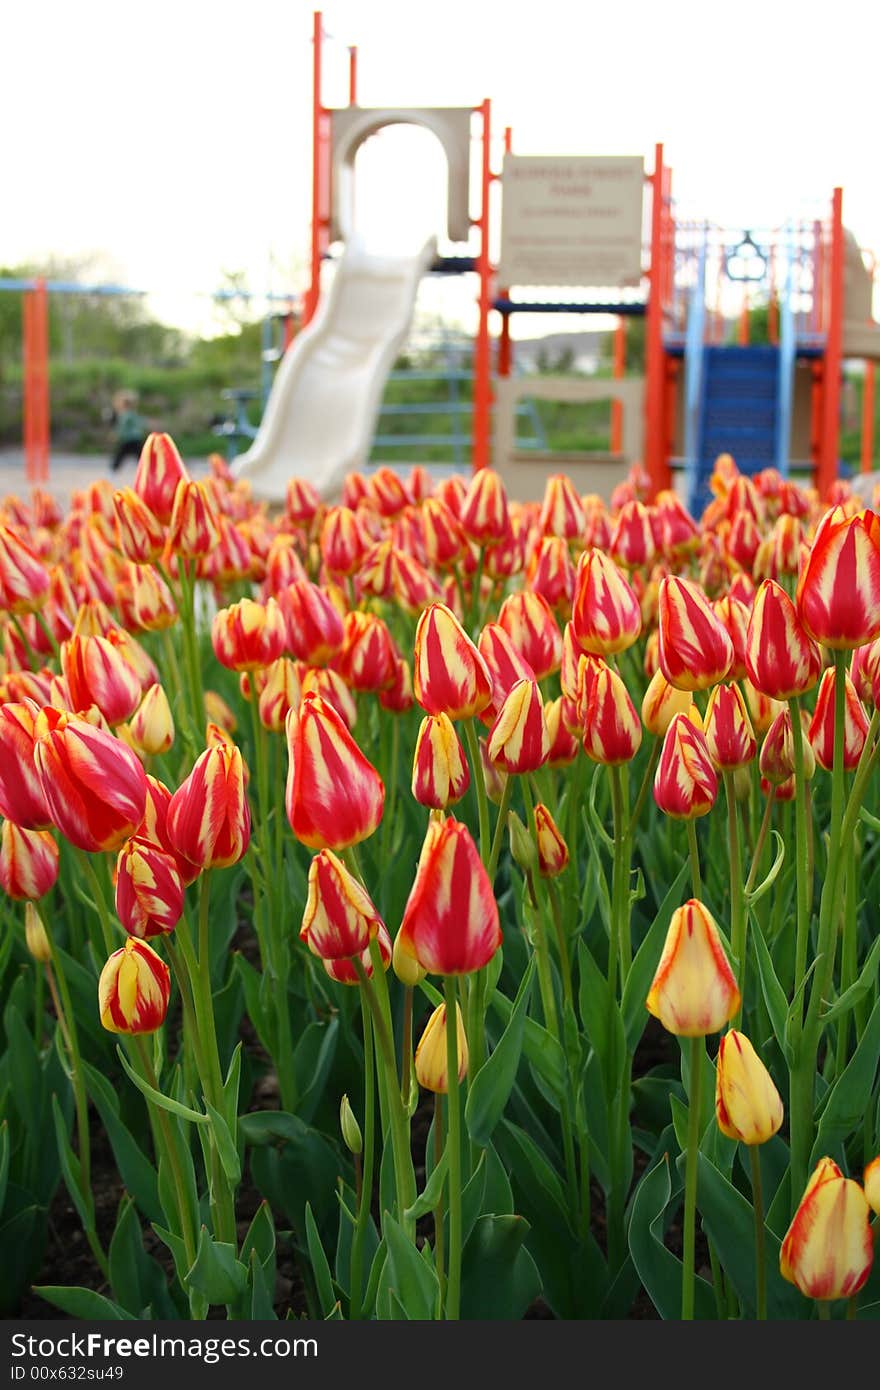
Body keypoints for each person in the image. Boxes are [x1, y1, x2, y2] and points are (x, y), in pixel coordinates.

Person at [108, 390, 148, 472]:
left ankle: (113, 469)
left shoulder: (125, 415)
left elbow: (122, 427)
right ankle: (146, 469)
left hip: (129, 439)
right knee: (139, 455)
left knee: (121, 454)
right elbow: (141, 423)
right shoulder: (133, 413)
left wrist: (116, 434)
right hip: (136, 438)